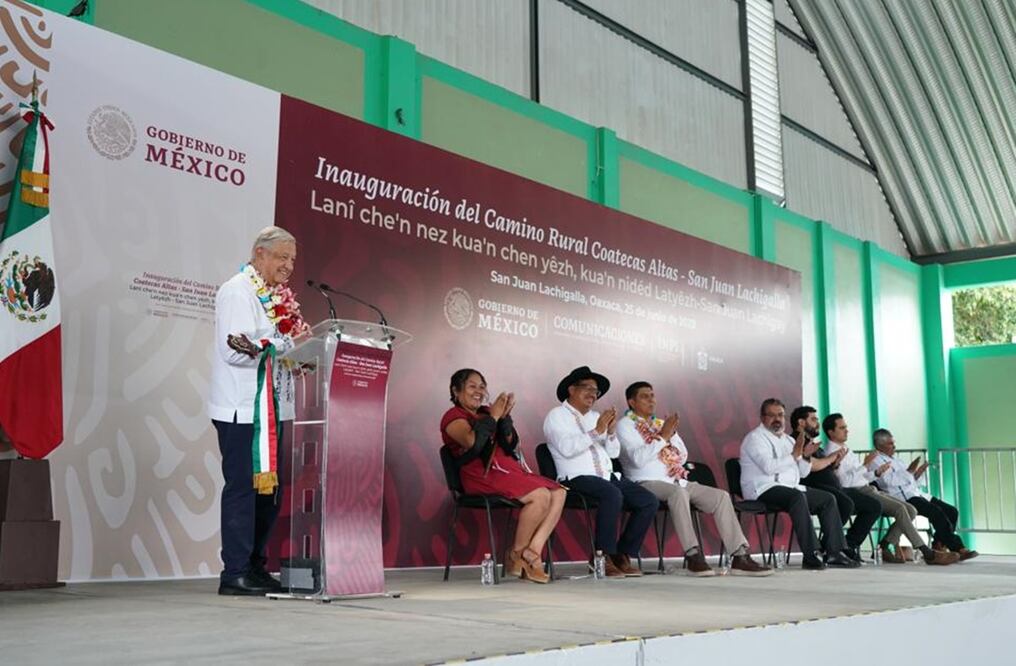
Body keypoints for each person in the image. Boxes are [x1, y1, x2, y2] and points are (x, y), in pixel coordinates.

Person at [208, 226, 308, 596]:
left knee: (269, 493)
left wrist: (301, 355)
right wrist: (285, 345)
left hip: (272, 411)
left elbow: (275, 348)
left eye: (292, 259)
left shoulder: (275, 296)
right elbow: (235, 350)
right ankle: (233, 572)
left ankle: (255, 566)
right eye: (282, 257)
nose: (288, 266)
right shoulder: (238, 290)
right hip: (240, 409)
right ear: (259, 253)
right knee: (244, 490)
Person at [616, 382, 771, 577]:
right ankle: (693, 555)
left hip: (675, 479)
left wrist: (668, 435)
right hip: (645, 482)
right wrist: (664, 437)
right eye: (644, 396)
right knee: (678, 493)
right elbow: (637, 460)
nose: (651, 400)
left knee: (721, 497)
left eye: (653, 395)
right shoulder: (625, 426)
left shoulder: (660, 424)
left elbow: (682, 454)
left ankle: (739, 556)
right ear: (631, 402)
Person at [441, 368, 565, 584]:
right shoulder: (453, 417)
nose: (479, 391)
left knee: (559, 492)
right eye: (472, 386)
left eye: (482, 386)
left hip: (506, 468)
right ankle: (516, 554)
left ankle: (532, 552)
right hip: (479, 474)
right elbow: (472, 443)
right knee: (541, 496)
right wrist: (495, 416)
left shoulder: (486, 412)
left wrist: (505, 417)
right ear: (456, 390)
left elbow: (510, 445)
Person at [543, 366, 658, 577]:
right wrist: (597, 430)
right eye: (586, 388)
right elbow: (567, 449)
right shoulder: (556, 416)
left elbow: (613, 453)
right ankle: (601, 557)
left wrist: (611, 431)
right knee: (611, 494)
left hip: (605, 476)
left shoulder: (595, 416)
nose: (592, 394)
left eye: (595, 391)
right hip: (574, 478)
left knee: (648, 500)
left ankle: (621, 555)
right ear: (571, 390)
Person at [739, 398, 859, 569]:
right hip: (763, 488)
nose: (777, 419)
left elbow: (802, 473)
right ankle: (811, 554)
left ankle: (834, 552)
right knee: (797, 497)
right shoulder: (754, 439)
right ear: (762, 417)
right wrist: (795, 455)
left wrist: (807, 456)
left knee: (827, 499)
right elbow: (769, 467)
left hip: (790, 488)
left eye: (780, 415)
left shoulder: (788, 440)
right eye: (772, 415)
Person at [822, 415, 958, 565]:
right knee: (901, 508)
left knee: (911, 510)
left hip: (868, 487)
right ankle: (927, 552)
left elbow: (860, 476)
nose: (847, 431)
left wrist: (875, 473)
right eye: (842, 428)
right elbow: (844, 482)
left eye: (846, 427)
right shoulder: (831, 452)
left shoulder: (846, 449)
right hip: (858, 491)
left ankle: (884, 546)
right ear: (831, 432)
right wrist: (866, 466)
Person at [870, 428, 978, 561]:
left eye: (893, 443)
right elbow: (887, 482)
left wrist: (916, 474)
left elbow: (908, 480)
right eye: (890, 444)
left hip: (916, 493)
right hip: (903, 498)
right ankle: (958, 547)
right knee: (936, 513)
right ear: (880, 445)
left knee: (951, 511)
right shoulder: (875, 460)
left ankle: (939, 545)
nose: (894, 446)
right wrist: (908, 472)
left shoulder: (896, 460)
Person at [790, 406, 881, 563]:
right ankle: (832, 548)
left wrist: (835, 464)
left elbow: (823, 466)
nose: (817, 423)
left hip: (835, 487)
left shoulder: (811, 442)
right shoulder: (796, 441)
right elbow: (812, 465)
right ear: (801, 422)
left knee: (874, 506)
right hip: (815, 488)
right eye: (813, 419)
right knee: (845, 504)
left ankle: (847, 545)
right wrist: (831, 458)